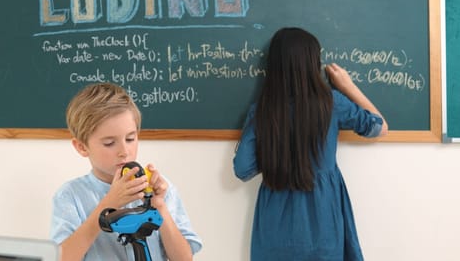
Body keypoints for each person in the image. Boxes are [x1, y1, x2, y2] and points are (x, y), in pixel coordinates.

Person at [233, 27, 388, 261]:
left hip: (275, 227)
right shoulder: (332, 103)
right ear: (312, 64)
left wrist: (277, 153)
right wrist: (347, 86)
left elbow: (243, 169)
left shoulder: (262, 111)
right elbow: (380, 126)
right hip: (323, 221)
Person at [50, 82, 202, 261]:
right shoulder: (70, 196)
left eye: (130, 138)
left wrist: (159, 206)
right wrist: (107, 205)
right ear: (82, 147)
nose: (124, 151)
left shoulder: (160, 188)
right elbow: (61, 258)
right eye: (109, 143)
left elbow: (184, 259)